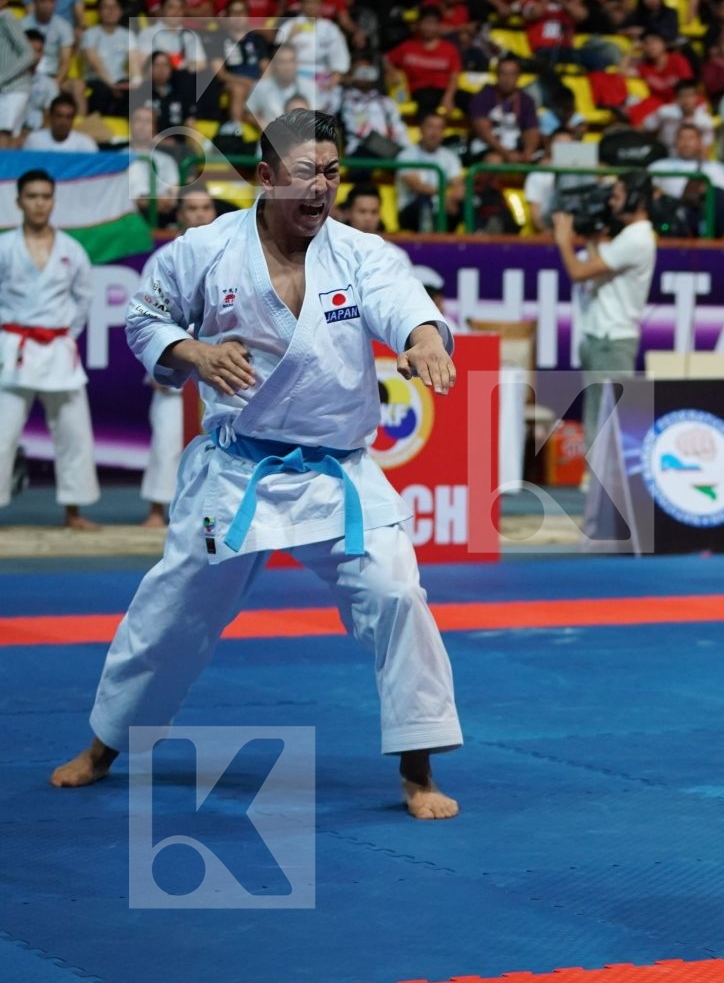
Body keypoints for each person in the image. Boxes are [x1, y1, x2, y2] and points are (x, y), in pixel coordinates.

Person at [48, 111, 463, 819]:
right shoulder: (206, 249)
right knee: (171, 610)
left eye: (332, 172)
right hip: (238, 474)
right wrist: (195, 352)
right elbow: (144, 317)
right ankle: (105, 744)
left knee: (398, 595)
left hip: (337, 475)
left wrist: (425, 338)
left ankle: (418, 770)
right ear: (266, 177)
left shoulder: (361, 253)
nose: (322, 187)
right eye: (306, 173)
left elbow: (403, 305)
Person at [0, 168, 99, 528]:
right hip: (14, 348)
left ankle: (74, 510)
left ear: (54, 201)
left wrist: (65, 334)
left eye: (45, 197)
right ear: (19, 202)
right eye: (32, 197)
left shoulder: (71, 249)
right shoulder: (4, 246)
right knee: (2, 434)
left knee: (74, 433)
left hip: (58, 348)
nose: (39, 204)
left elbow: (84, 299)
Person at [552, 171, 657, 454]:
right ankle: (595, 476)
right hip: (601, 336)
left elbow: (579, 272)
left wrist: (563, 240)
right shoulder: (630, 237)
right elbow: (596, 273)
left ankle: (602, 477)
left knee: (607, 420)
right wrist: (592, 240)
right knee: (597, 415)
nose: (611, 202)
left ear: (636, 199)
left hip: (612, 340)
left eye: (618, 196)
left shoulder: (637, 238)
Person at [140, 186, 221, 528]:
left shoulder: (232, 252)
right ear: (180, 214)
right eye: (192, 208)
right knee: (167, 435)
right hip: (178, 357)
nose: (200, 214)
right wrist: (157, 362)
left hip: (221, 362)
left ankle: (215, 512)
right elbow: (146, 317)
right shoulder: (164, 259)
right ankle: (157, 510)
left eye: (206, 207)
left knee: (223, 442)